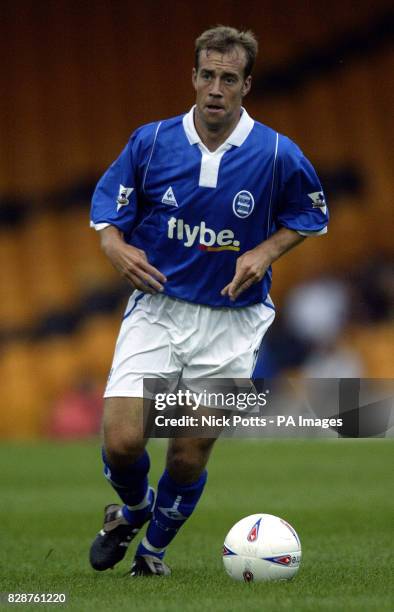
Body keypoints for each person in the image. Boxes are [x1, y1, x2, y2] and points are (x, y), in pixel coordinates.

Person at [89, 25, 328, 577]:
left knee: (188, 451)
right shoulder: (150, 142)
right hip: (159, 309)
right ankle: (136, 509)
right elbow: (109, 215)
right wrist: (114, 246)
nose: (215, 88)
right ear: (192, 78)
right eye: (207, 75)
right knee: (124, 441)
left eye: (228, 78)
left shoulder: (275, 153)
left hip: (233, 322)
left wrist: (266, 251)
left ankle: (152, 555)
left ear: (246, 85)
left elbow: (311, 215)